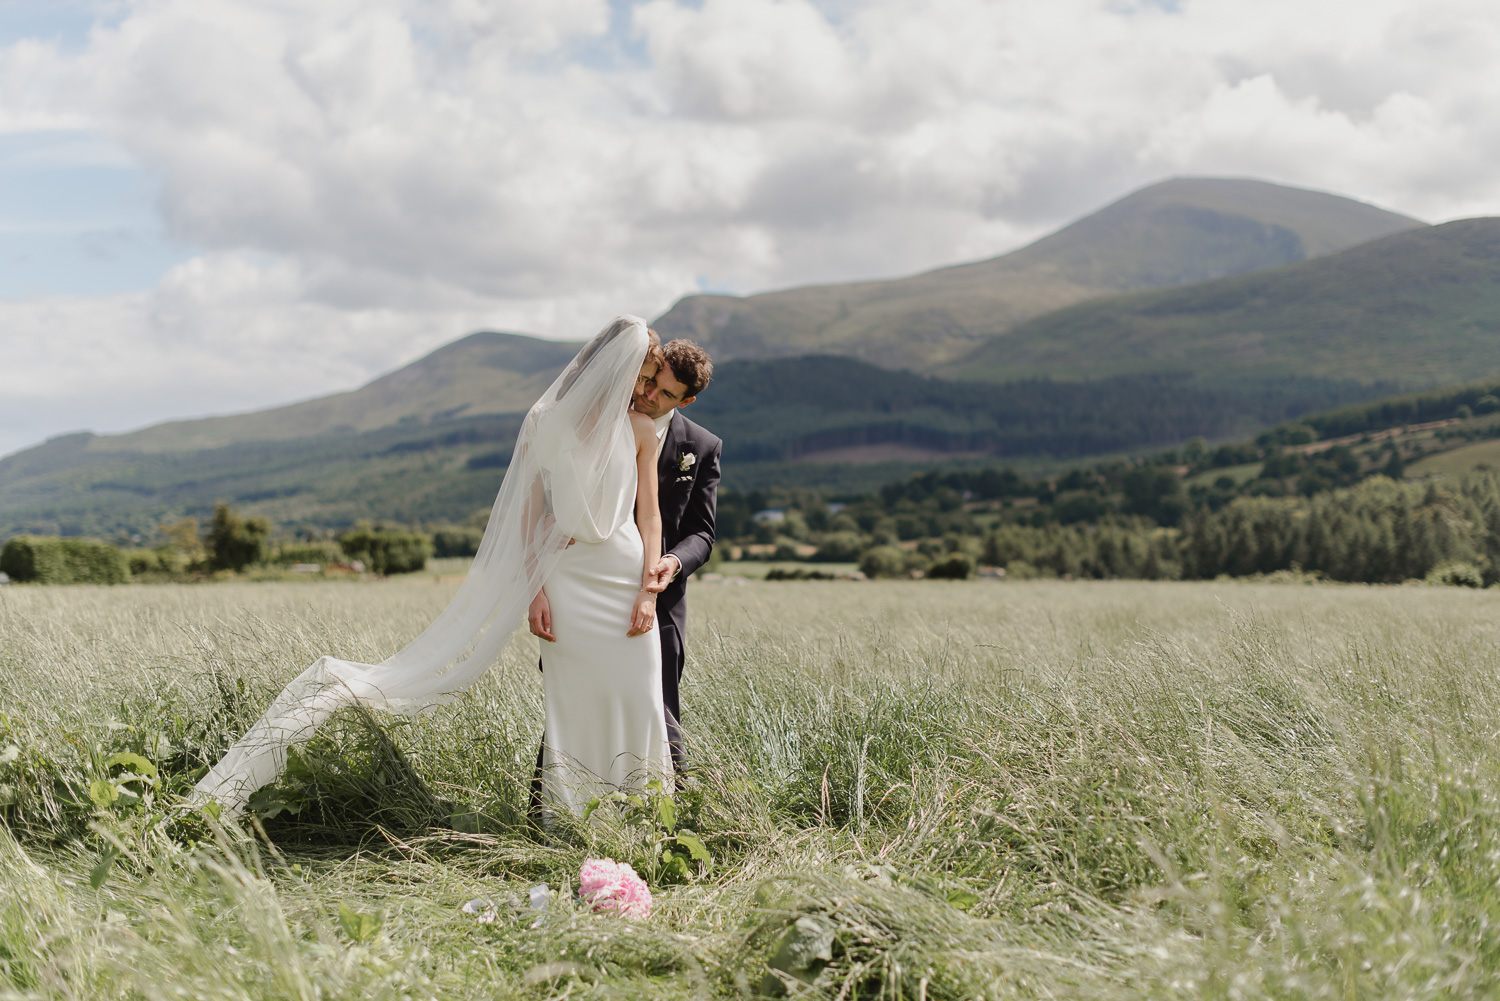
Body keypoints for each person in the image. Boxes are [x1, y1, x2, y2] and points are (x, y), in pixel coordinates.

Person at [193, 316, 671, 818]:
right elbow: (528, 515)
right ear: (610, 369)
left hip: (623, 575)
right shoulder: (543, 423)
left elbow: (650, 515)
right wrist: (535, 593)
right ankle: (575, 821)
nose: (643, 392)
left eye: (646, 382)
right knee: (573, 705)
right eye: (639, 379)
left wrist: (647, 591)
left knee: (639, 694)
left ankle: (643, 817)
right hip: (568, 581)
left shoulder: (639, 428)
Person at [531, 339, 719, 777]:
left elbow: (702, 533)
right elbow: (546, 500)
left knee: (658, 711)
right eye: (650, 382)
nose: (649, 395)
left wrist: (669, 565)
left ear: (686, 400)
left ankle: (668, 824)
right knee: (571, 709)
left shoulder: (702, 446)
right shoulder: (584, 424)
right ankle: (549, 820)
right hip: (578, 587)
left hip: (656, 599)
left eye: (665, 393)